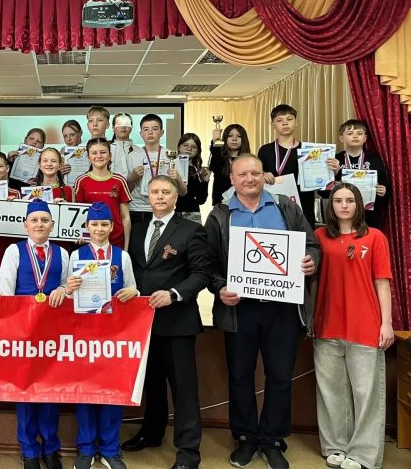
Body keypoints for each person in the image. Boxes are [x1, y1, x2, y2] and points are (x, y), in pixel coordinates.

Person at [205, 154, 320, 469]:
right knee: (240, 376)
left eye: (255, 173)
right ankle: (245, 438)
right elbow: (208, 264)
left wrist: (310, 261)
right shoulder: (220, 215)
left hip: (282, 309)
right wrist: (219, 288)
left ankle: (272, 440)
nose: (249, 179)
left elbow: (312, 246)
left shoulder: (286, 207)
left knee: (280, 376)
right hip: (239, 310)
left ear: (263, 175)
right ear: (232, 179)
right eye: (242, 174)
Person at [121, 176, 209, 469]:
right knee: (152, 384)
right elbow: (135, 270)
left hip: (177, 322)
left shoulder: (192, 230)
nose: (159, 197)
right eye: (154, 192)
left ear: (175, 197)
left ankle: (188, 452)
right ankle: (151, 433)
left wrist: (174, 294)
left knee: (183, 389)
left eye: (165, 192)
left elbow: (201, 274)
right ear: (147, 196)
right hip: (142, 322)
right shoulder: (138, 228)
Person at [313, 183, 393, 469]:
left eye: (350, 200)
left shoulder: (375, 237)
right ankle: (335, 446)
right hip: (327, 325)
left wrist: (386, 323)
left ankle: (364, 454)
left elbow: (382, 282)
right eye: (338, 200)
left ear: (359, 204)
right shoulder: (319, 236)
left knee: (366, 393)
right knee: (330, 393)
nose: (344, 205)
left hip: (365, 325)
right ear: (330, 205)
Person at [0, 199, 70, 469]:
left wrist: (63, 289)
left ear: (52, 225)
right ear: (25, 225)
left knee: (50, 390)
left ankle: (51, 448)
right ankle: (28, 449)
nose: (39, 224)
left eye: (44, 220)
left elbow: (67, 285)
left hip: (52, 332)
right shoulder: (13, 251)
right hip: (23, 331)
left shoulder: (62, 253)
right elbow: (5, 293)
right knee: (25, 390)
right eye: (35, 220)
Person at [67, 202, 138, 469]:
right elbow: (66, 294)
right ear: (87, 226)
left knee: (112, 390)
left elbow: (133, 289)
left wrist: (133, 291)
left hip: (114, 335)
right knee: (84, 391)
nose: (99, 229)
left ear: (112, 227)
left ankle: (110, 449)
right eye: (94, 224)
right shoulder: (76, 255)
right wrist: (69, 288)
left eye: (104, 224)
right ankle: (86, 449)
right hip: (84, 334)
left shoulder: (122, 256)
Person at [257, 104, 316, 227]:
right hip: (273, 207)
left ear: (296, 122)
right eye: (279, 120)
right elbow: (256, 176)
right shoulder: (265, 150)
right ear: (273, 125)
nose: (285, 123)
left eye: (289, 119)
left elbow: (319, 183)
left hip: (303, 207)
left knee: (304, 238)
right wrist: (262, 174)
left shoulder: (308, 151)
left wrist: (331, 172)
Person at [325, 119, 391, 229]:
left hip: (369, 216)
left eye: (359, 133)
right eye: (350, 133)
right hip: (341, 215)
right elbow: (323, 193)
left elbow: (387, 193)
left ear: (365, 138)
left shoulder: (375, 160)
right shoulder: (335, 160)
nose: (355, 136)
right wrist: (336, 174)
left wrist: (383, 192)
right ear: (341, 138)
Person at [74, 137, 131, 250]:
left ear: (110, 156)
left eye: (103, 152)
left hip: (116, 240)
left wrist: (126, 247)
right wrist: (79, 235)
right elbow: (77, 215)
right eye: (94, 153)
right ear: (88, 157)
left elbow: (125, 217)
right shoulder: (81, 180)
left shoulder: (119, 180)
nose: (99, 156)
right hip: (90, 240)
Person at [127, 114, 175, 229]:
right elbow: (126, 190)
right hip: (138, 209)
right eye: (146, 129)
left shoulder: (171, 155)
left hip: (164, 207)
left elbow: (183, 191)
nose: (150, 132)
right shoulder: (132, 156)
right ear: (141, 134)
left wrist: (176, 178)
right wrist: (132, 178)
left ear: (162, 132)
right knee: (138, 240)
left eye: (154, 129)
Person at [208, 124, 251, 205]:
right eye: (230, 136)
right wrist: (216, 142)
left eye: (239, 136)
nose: (234, 139)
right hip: (221, 203)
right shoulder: (219, 157)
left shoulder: (249, 160)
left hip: (244, 203)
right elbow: (215, 167)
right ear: (225, 138)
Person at [174, 133, 210, 224]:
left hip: (193, 215)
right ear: (179, 147)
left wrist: (206, 181)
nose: (189, 149)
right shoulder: (172, 166)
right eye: (185, 145)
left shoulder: (198, 170)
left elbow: (201, 200)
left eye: (194, 147)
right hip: (173, 213)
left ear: (198, 151)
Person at [109, 112, 142, 178]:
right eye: (119, 124)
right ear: (113, 128)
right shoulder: (106, 150)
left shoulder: (140, 151)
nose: (123, 127)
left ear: (131, 128)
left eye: (127, 124)